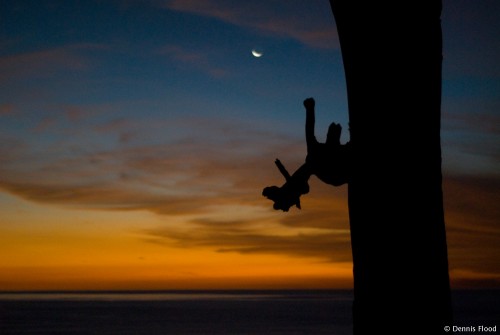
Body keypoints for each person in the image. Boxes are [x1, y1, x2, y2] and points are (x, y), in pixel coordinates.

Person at [262, 97, 350, 211]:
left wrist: (310, 108)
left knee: (311, 142)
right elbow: (288, 179)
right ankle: (310, 108)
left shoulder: (315, 154)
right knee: (311, 144)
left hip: (315, 169)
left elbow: (287, 177)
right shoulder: (284, 194)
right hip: (320, 170)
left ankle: (310, 108)